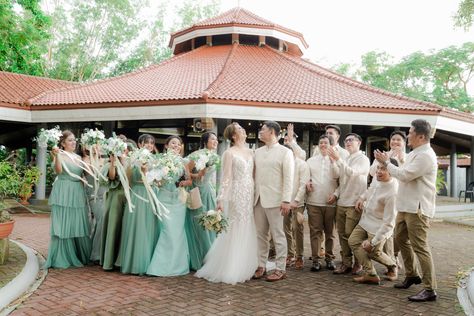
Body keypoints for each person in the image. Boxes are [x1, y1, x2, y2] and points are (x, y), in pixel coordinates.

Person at [375, 119, 438, 302]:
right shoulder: (415, 153)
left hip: (417, 208)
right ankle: (411, 275)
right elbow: (402, 172)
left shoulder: (426, 155)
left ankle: (430, 288)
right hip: (405, 206)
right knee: (400, 239)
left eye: (410, 132)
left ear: (420, 136)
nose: (407, 135)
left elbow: (404, 175)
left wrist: (387, 163)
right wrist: (388, 162)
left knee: (421, 247)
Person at [195, 123, 258, 284]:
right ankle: (233, 265)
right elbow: (226, 178)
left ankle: (248, 263)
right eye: (240, 129)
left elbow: (255, 175)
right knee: (235, 225)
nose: (243, 130)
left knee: (247, 223)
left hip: (249, 191)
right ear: (234, 135)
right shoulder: (229, 153)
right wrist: (221, 199)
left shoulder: (252, 151)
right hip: (237, 192)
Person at [253, 121, 294, 282]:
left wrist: (286, 200)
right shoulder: (257, 152)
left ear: (272, 132)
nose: (260, 133)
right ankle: (261, 265)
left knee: (278, 235)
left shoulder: (285, 152)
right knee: (260, 235)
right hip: (258, 199)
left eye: (262, 130)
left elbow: (288, 178)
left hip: (277, 200)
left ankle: (280, 268)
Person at [45, 130, 92, 268]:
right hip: (63, 191)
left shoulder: (79, 157)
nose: (74, 142)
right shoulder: (58, 155)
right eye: (70, 140)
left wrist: (91, 154)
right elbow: (58, 171)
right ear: (63, 143)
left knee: (77, 222)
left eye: (74, 140)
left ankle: (79, 254)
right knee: (63, 223)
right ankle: (61, 256)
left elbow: (89, 174)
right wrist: (57, 155)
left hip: (77, 191)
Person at [349, 159, 399, 285]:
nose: (378, 171)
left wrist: (373, 242)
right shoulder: (377, 180)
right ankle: (370, 273)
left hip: (379, 227)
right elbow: (369, 190)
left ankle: (392, 265)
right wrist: (361, 198)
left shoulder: (393, 193)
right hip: (365, 221)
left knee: (373, 252)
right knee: (353, 241)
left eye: (383, 169)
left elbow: (389, 223)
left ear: (392, 172)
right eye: (378, 168)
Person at [147, 136, 191, 276]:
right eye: (173, 143)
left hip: (178, 200)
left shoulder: (183, 162)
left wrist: (183, 183)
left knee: (177, 232)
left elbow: (189, 180)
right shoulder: (160, 160)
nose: (176, 146)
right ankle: (161, 267)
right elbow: (154, 180)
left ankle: (178, 266)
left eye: (178, 144)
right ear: (166, 145)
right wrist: (161, 178)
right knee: (166, 231)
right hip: (164, 198)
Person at [117, 134, 159, 275]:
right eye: (146, 143)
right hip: (137, 194)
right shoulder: (132, 159)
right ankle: (134, 262)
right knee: (137, 227)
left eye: (152, 143)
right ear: (140, 144)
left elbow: (158, 180)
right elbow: (128, 180)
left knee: (148, 227)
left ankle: (148, 262)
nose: (149, 145)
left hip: (150, 194)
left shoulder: (155, 161)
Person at [329, 133, 370, 275]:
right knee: (341, 234)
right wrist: (335, 195)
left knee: (352, 235)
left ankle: (358, 263)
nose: (348, 142)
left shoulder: (363, 159)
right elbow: (341, 180)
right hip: (342, 202)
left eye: (351, 140)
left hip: (354, 202)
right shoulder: (345, 158)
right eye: (346, 140)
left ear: (359, 142)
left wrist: (338, 159)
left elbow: (353, 173)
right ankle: (346, 263)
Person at [370, 130, 407, 268]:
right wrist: (381, 161)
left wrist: (401, 160)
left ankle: (393, 257)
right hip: (380, 194)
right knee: (385, 229)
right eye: (393, 139)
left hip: (398, 196)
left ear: (404, 143)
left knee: (394, 231)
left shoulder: (407, 157)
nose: (395, 142)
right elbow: (372, 171)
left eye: (399, 140)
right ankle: (391, 260)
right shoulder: (383, 155)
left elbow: (406, 175)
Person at [185, 132, 218, 270]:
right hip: (197, 191)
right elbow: (185, 170)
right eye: (212, 139)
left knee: (212, 222)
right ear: (205, 141)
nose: (215, 141)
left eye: (217, 139)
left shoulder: (215, 156)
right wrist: (197, 175)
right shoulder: (197, 154)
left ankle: (213, 255)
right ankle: (202, 255)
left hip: (209, 191)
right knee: (199, 222)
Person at [305, 135, 339, 271]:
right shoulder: (310, 161)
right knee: (315, 232)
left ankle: (330, 259)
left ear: (330, 145)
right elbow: (306, 178)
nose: (323, 145)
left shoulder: (336, 160)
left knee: (330, 233)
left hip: (330, 202)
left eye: (325, 143)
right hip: (314, 201)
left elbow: (338, 177)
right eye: (321, 142)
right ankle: (315, 260)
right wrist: (308, 183)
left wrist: (334, 161)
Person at [100, 140, 135, 270]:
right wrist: (114, 162)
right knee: (114, 226)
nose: (124, 152)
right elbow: (112, 177)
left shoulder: (130, 163)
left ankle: (122, 259)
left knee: (126, 228)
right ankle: (110, 260)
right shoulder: (110, 164)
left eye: (125, 149)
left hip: (129, 199)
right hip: (116, 198)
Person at [282, 143, 309, 270]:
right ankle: (290, 254)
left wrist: (296, 200)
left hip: (298, 202)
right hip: (284, 201)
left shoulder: (302, 164)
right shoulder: (282, 163)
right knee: (285, 228)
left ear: (292, 153)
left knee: (298, 227)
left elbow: (303, 184)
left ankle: (300, 256)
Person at [82, 145, 107, 263]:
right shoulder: (85, 160)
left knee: (103, 222)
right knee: (102, 219)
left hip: (107, 195)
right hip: (94, 197)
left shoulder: (106, 160)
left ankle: (102, 251)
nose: (98, 146)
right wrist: (93, 156)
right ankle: (97, 254)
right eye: (95, 144)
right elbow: (91, 173)